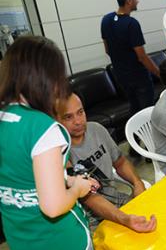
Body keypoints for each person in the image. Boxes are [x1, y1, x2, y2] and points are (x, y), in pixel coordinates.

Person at [0, 36, 99, 250]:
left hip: (24, 243)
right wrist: (77, 187)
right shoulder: (42, 128)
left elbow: (23, 175)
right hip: (63, 246)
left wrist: (63, 180)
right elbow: (53, 206)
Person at [57, 93, 157, 233]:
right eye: (68, 117)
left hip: (117, 202)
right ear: (57, 121)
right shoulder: (58, 151)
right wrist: (124, 219)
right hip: (90, 221)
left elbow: (120, 162)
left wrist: (137, 182)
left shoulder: (96, 130)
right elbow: (89, 198)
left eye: (80, 112)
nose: (78, 121)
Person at [101, 0, 160, 117]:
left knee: (134, 109)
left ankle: (133, 134)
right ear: (128, 0)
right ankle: (146, 135)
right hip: (139, 77)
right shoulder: (132, 24)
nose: (138, 0)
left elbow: (107, 50)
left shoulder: (106, 20)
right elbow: (142, 57)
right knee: (147, 113)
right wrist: (160, 74)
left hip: (121, 77)